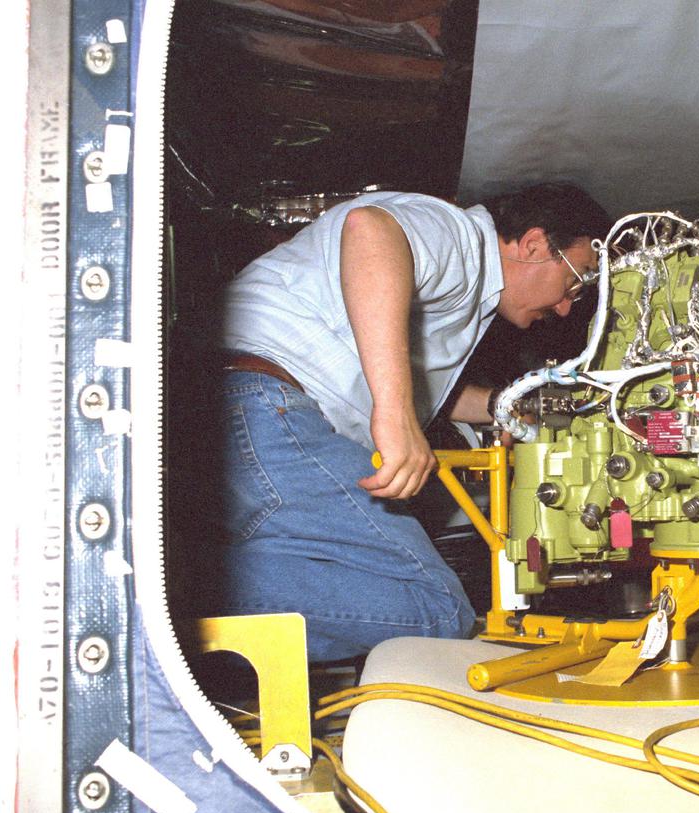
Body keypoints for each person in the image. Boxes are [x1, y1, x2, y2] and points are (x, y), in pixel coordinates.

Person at [214, 183, 611, 660]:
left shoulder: (464, 291)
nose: (567, 306)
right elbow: (371, 232)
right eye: (578, 279)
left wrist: (500, 405)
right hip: (267, 408)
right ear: (532, 245)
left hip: (237, 412)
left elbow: (403, 372)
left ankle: (178, 580)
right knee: (435, 608)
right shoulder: (461, 237)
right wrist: (396, 413)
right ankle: (177, 587)